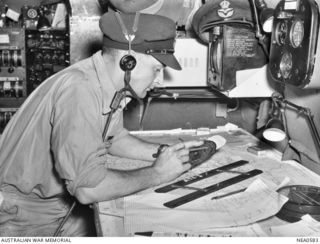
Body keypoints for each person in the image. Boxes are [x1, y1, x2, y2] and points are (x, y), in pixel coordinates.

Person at [0, 10, 203, 236]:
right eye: (156, 69)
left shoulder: (104, 82)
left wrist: (167, 153)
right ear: (129, 62)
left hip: (54, 205)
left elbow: (115, 138)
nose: (158, 80)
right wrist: (157, 174)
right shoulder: (80, 90)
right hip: (23, 215)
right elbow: (88, 189)